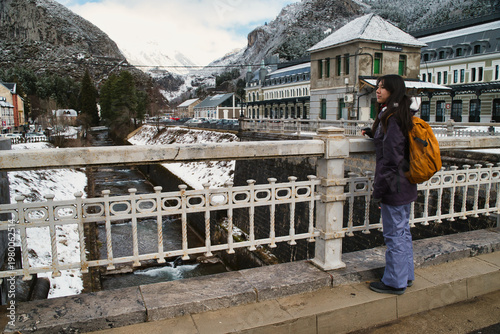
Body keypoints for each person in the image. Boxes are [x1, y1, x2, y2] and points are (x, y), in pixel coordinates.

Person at [363, 74, 418, 295]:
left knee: (394, 234)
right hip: (406, 184)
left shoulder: (392, 117)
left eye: (383, 88)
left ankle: (395, 282)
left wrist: (380, 190)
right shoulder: (401, 113)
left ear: (393, 91)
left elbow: (392, 158)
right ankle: (406, 275)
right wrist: (373, 134)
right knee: (403, 231)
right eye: (377, 87)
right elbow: (394, 143)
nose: (378, 91)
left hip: (394, 185)